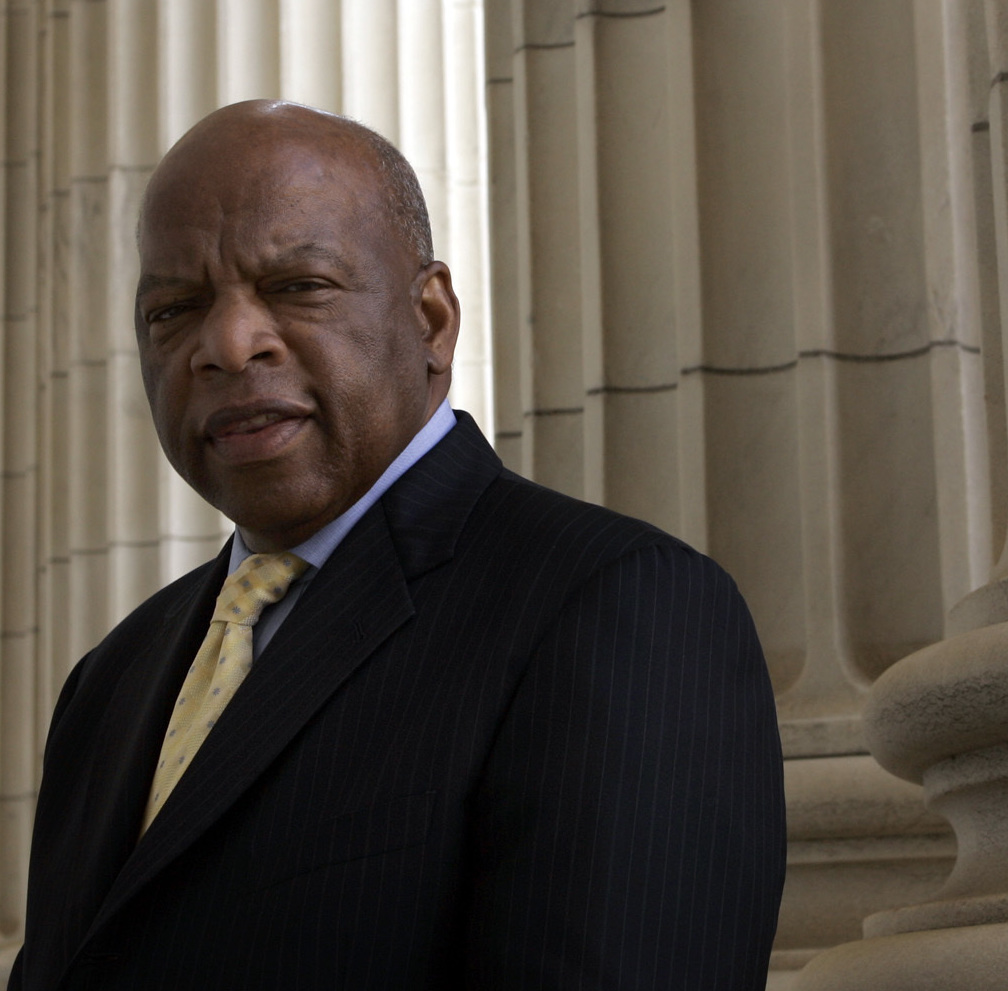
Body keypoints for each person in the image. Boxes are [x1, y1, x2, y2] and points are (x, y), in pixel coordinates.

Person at [12, 100, 785, 990]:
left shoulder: (619, 607)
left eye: (297, 286)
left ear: (431, 319)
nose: (226, 345)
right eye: (173, 310)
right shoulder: (109, 681)